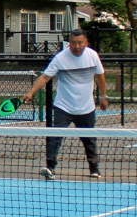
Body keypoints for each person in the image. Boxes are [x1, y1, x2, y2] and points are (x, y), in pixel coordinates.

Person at [26, 27, 109, 180]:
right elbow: (45, 77)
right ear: (69, 43)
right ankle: (50, 168)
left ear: (86, 42)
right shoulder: (60, 58)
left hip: (86, 107)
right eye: (73, 43)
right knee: (55, 138)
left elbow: (100, 76)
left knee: (89, 140)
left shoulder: (92, 56)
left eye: (80, 43)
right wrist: (31, 92)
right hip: (63, 107)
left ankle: (94, 168)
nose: (77, 46)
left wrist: (104, 96)